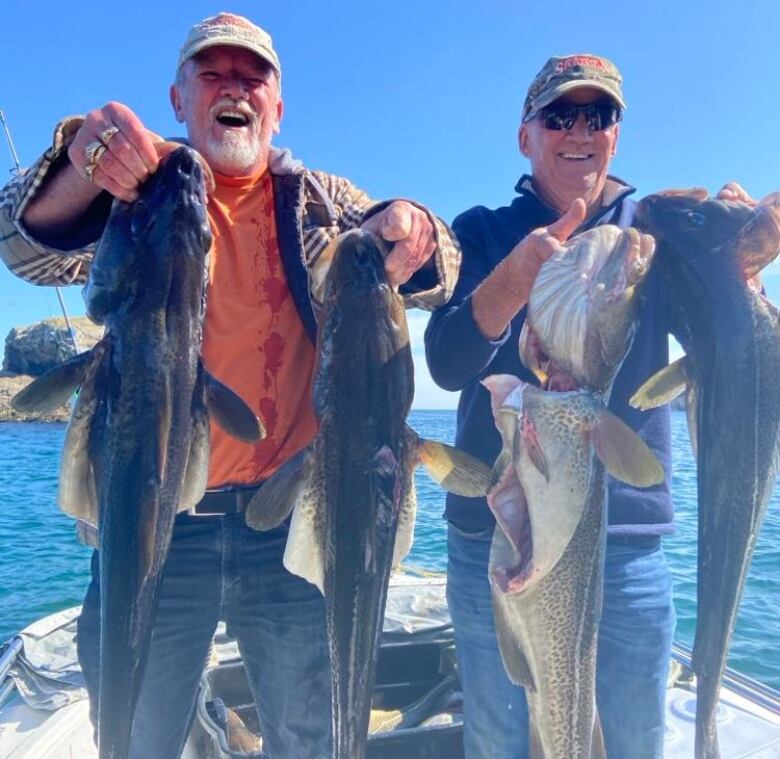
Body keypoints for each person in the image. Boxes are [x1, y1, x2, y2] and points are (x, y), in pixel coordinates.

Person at [0, 12, 460, 759]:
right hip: (161, 516)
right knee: (137, 723)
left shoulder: (322, 200)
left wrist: (413, 227)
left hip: (289, 516)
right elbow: (20, 246)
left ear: (278, 105)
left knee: (310, 729)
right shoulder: (141, 188)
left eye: (253, 76)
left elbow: (442, 270)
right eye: (212, 73)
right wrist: (80, 158)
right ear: (179, 98)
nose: (234, 88)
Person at [424, 54, 756, 759]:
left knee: (633, 738)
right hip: (490, 536)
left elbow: (720, 343)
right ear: (527, 136)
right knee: (499, 736)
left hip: (627, 543)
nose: (580, 129)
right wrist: (513, 280)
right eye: (559, 115)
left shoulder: (655, 232)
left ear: (617, 133)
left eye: (599, 115)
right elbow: (448, 363)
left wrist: (737, 258)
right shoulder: (483, 230)